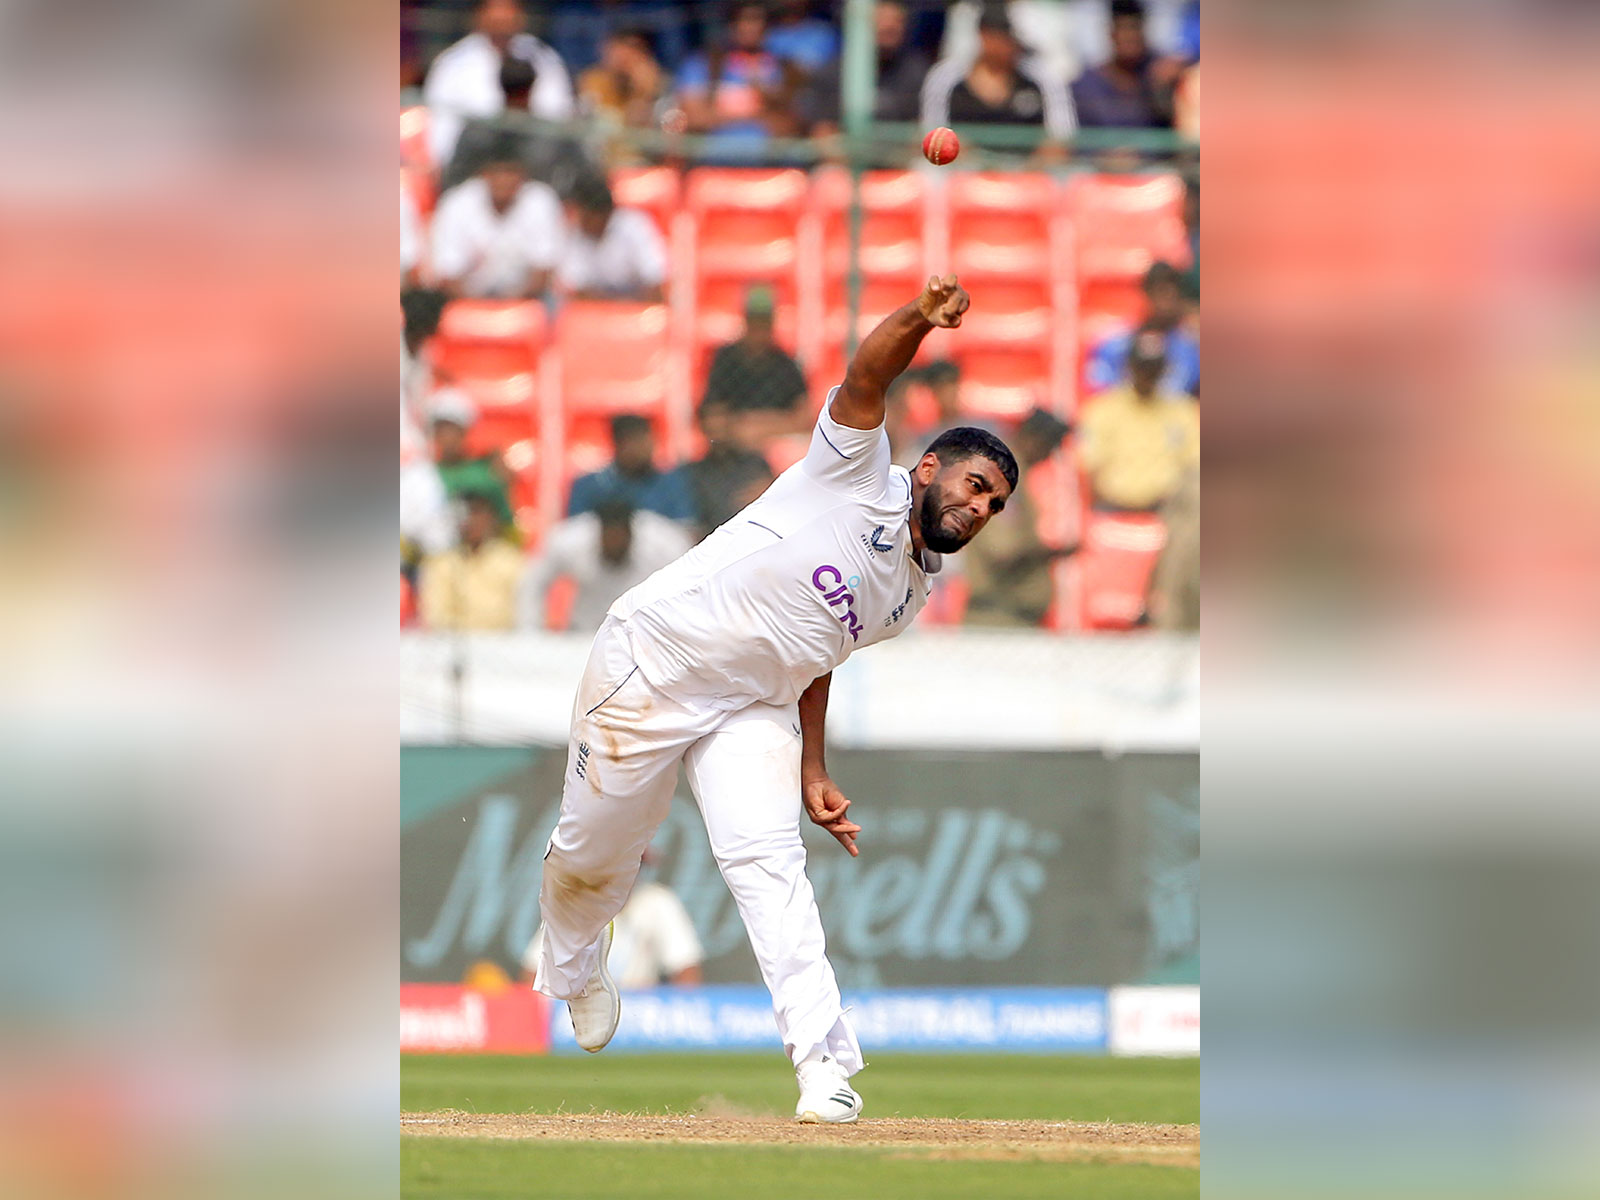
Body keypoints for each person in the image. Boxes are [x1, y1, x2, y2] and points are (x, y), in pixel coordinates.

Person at [531, 275, 1017, 1126]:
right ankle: (574, 969)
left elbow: (820, 652)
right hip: (652, 659)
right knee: (590, 854)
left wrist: (813, 765)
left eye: (994, 504)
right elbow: (867, 379)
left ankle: (823, 1067)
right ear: (931, 468)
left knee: (769, 866)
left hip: (751, 709)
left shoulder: (909, 597)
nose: (978, 509)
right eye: (974, 486)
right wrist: (917, 319)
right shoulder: (855, 473)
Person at [424, 0, 575, 166]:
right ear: (478, 14)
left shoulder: (544, 58)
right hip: (471, 167)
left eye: (509, 8)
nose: (502, 16)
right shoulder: (452, 64)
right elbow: (440, 128)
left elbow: (559, 119)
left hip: (536, 166)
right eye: (495, 8)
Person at [962, 407, 1076, 627]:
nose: (1050, 454)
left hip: (1009, 617)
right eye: (1050, 444)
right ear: (1032, 438)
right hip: (998, 618)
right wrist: (1052, 552)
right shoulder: (999, 478)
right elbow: (1004, 552)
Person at [920, 5, 1076, 156]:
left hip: (1027, 176)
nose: (1016, 48)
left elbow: (1061, 138)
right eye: (1008, 40)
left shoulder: (1042, 78)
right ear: (985, 35)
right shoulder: (946, 77)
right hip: (962, 175)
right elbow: (931, 137)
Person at [519, 499, 694, 633]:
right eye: (609, 538)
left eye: (620, 538)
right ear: (598, 533)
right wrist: (531, 633)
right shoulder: (569, 542)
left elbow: (690, 591)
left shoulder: (665, 545)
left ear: (632, 534)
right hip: (582, 636)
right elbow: (532, 583)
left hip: (645, 638)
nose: (614, 543)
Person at [1077, 327, 1199, 512]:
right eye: (1142, 368)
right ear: (1129, 367)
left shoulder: (1183, 411)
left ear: (1164, 369)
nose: (1147, 375)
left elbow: (1193, 465)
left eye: (1154, 369)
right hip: (1113, 506)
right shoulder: (1102, 410)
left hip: (1168, 509)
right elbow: (1089, 465)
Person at [523, 868, 705, 989]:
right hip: (582, 1011)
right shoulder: (576, 905)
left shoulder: (657, 901)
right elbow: (534, 973)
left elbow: (687, 971)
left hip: (639, 1008)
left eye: (637, 864)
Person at [429, 143, 564, 299]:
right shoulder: (457, 202)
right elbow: (448, 273)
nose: (504, 180)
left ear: (523, 176)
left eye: (510, 173)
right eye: (497, 173)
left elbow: (544, 270)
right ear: (483, 174)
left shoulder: (541, 201)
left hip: (526, 300)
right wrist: (481, 310)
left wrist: (507, 309)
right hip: (467, 300)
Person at [674, 2, 799, 160]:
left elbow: (791, 125)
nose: (750, 27)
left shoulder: (787, 69)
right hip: (711, 167)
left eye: (758, 20)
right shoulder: (704, 64)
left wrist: (765, 97)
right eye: (743, 20)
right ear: (731, 24)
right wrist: (756, 113)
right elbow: (693, 118)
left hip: (771, 168)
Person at [797, 0, 931, 138]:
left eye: (898, 21)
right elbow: (822, 131)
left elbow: (921, 128)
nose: (890, 26)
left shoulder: (917, 70)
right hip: (846, 152)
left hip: (900, 154)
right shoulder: (831, 71)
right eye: (881, 19)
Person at [702, 287, 810, 448]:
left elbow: (805, 419)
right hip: (735, 450)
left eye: (764, 323)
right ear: (746, 321)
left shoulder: (785, 364)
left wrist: (756, 426)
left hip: (778, 449)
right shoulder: (726, 361)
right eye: (755, 323)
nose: (759, 331)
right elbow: (713, 420)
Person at [1085, 261, 1200, 397]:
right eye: (1161, 292)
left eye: (1172, 294)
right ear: (1146, 294)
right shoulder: (1116, 344)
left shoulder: (1190, 348)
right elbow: (1100, 394)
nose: (1166, 302)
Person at [672, 395, 778, 540]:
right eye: (710, 418)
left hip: (753, 538)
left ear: (735, 420)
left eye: (722, 416)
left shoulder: (755, 463)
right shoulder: (691, 472)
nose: (716, 424)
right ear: (701, 425)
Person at [418, 492, 526, 631]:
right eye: (464, 513)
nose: (470, 520)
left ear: (492, 517)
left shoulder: (512, 561)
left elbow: (522, 614)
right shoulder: (441, 563)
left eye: (477, 512)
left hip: (505, 644)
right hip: (455, 647)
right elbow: (436, 617)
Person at [556, 174, 668, 302]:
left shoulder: (635, 226)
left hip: (638, 310)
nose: (580, 220)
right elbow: (576, 290)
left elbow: (656, 282)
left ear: (604, 213)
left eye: (586, 216)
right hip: (596, 313)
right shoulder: (574, 233)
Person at [1070, 0, 1181, 130]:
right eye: (1123, 29)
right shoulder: (1088, 84)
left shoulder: (1159, 74)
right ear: (1112, 34)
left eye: (1135, 28)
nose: (1130, 37)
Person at [567, 414, 696, 522]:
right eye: (636, 441)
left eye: (648, 440)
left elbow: (685, 527)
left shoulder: (671, 483)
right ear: (619, 445)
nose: (645, 448)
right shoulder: (590, 486)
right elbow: (574, 536)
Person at [428, 389, 516, 533]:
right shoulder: (425, 474)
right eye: (440, 429)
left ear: (464, 431)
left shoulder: (484, 474)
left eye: (451, 429)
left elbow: (505, 521)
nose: (445, 436)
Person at [577, 28, 667, 131]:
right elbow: (597, 122)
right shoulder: (594, 80)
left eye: (636, 50)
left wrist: (644, 94)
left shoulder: (652, 81)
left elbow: (645, 126)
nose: (625, 57)